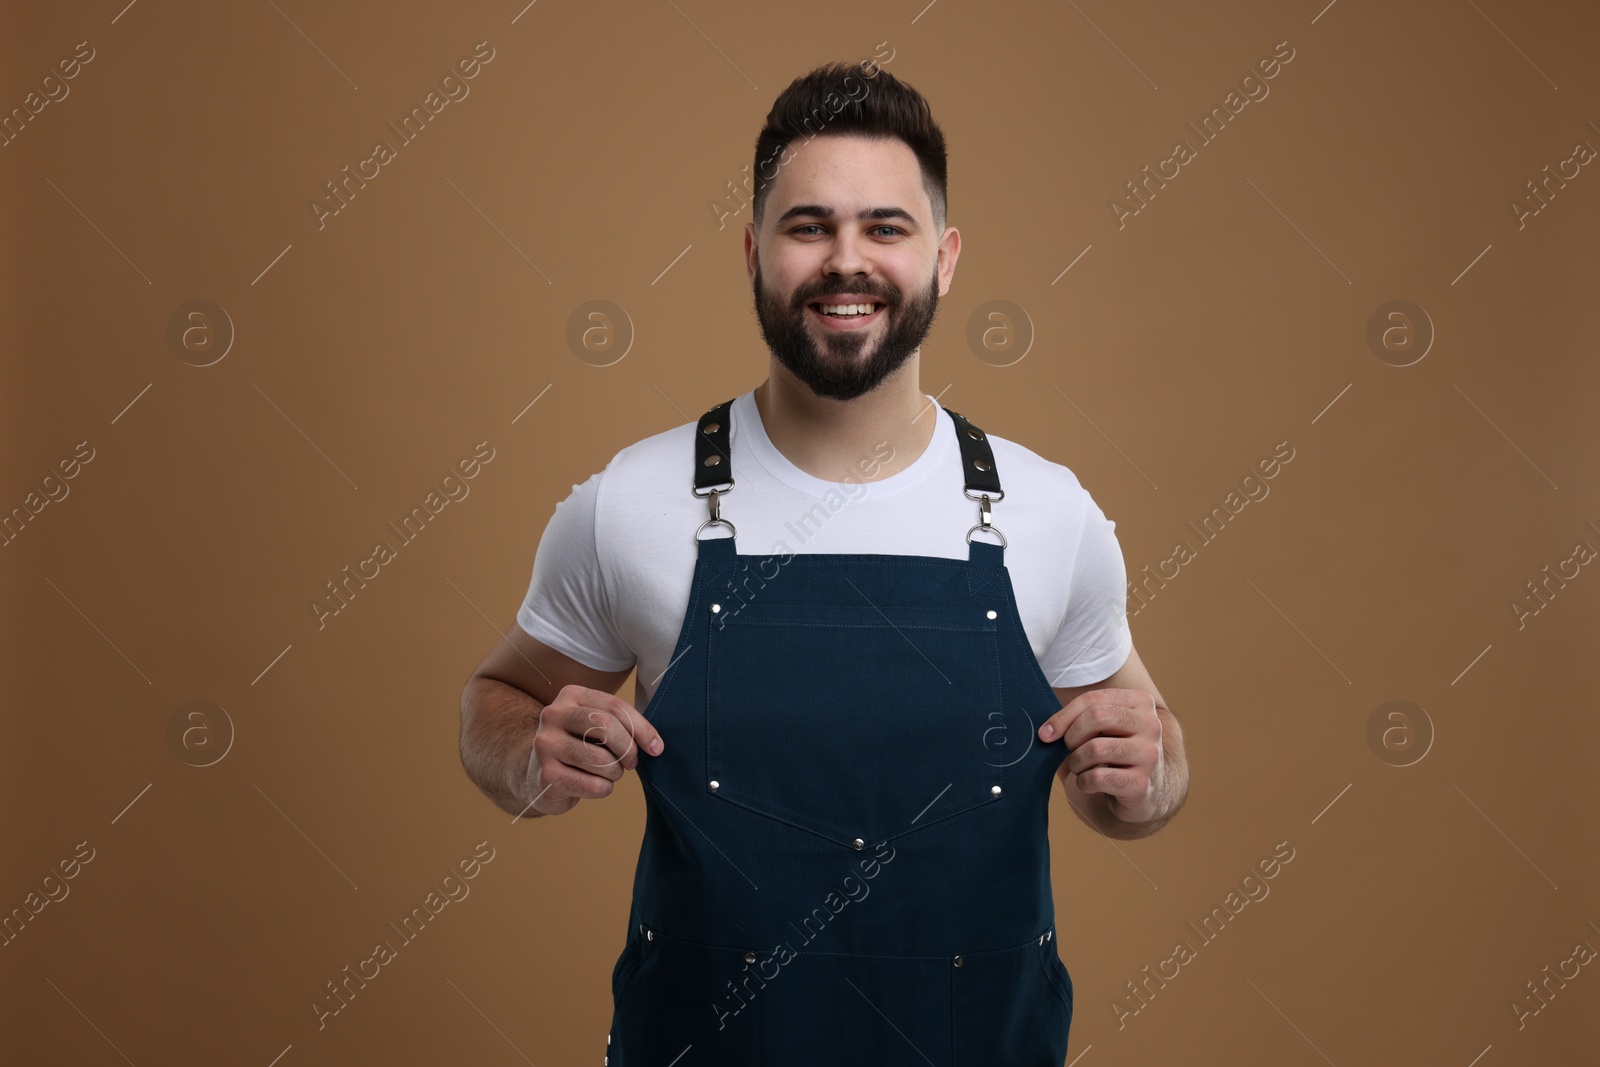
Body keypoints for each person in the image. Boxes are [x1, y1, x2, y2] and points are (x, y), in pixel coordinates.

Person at [459, 58, 1189, 1066]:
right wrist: (525, 753)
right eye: (810, 227)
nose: (847, 261)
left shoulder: (1045, 512)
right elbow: (497, 700)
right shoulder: (628, 502)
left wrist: (1146, 780)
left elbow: (1152, 759)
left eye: (886, 227)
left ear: (946, 257)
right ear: (754, 252)